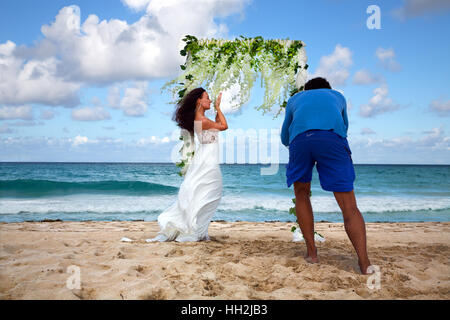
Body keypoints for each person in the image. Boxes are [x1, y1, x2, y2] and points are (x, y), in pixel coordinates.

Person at [281, 77, 372, 274]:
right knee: (349, 205)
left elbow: (284, 136)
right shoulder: (338, 96)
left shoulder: (295, 99)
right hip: (331, 138)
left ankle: (312, 253)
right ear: (327, 89)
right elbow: (344, 127)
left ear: (306, 90)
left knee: (302, 193)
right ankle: (364, 264)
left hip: (300, 141)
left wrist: (302, 139)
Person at [146, 88, 228, 242]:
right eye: (207, 98)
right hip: (207, 162)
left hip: (206, 160)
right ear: (199, 101)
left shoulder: (202, 119)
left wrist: (217, 108)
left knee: (207, 194)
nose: (209, 100)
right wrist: (218, 108)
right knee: (211, 194)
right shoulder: (202, 120)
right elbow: (224, 126)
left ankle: (198, 229)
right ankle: (196, 229)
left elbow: (217, 125)